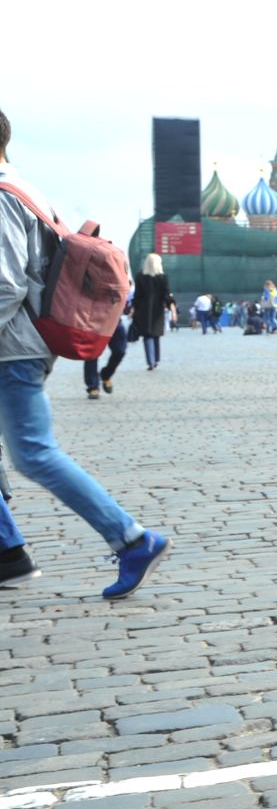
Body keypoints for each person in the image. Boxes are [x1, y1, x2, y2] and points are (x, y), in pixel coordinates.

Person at [0, 108, 172, 597]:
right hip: (19, 344)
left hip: (10, 348)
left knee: (34, 454)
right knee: (32, 452)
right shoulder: (25, 189)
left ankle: (132, 539)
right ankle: (7, 552)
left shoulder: (1, 197)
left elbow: (5, 284)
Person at [130, 254, 170, 370]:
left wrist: (133, 308)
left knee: (147, 336)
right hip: (158, 310)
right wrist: (170, 305)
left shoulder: (140, 277)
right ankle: (156, 359)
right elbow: (165, 295)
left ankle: (150, 361)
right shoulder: (163, 277)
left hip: (143, 311)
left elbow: (137, 295)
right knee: (156, 335)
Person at [83, 312, 129, 399]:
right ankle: (93, 387)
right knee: (92, 354)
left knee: (120, 351)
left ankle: (106, 374)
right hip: (94, 324)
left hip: (114, 322)